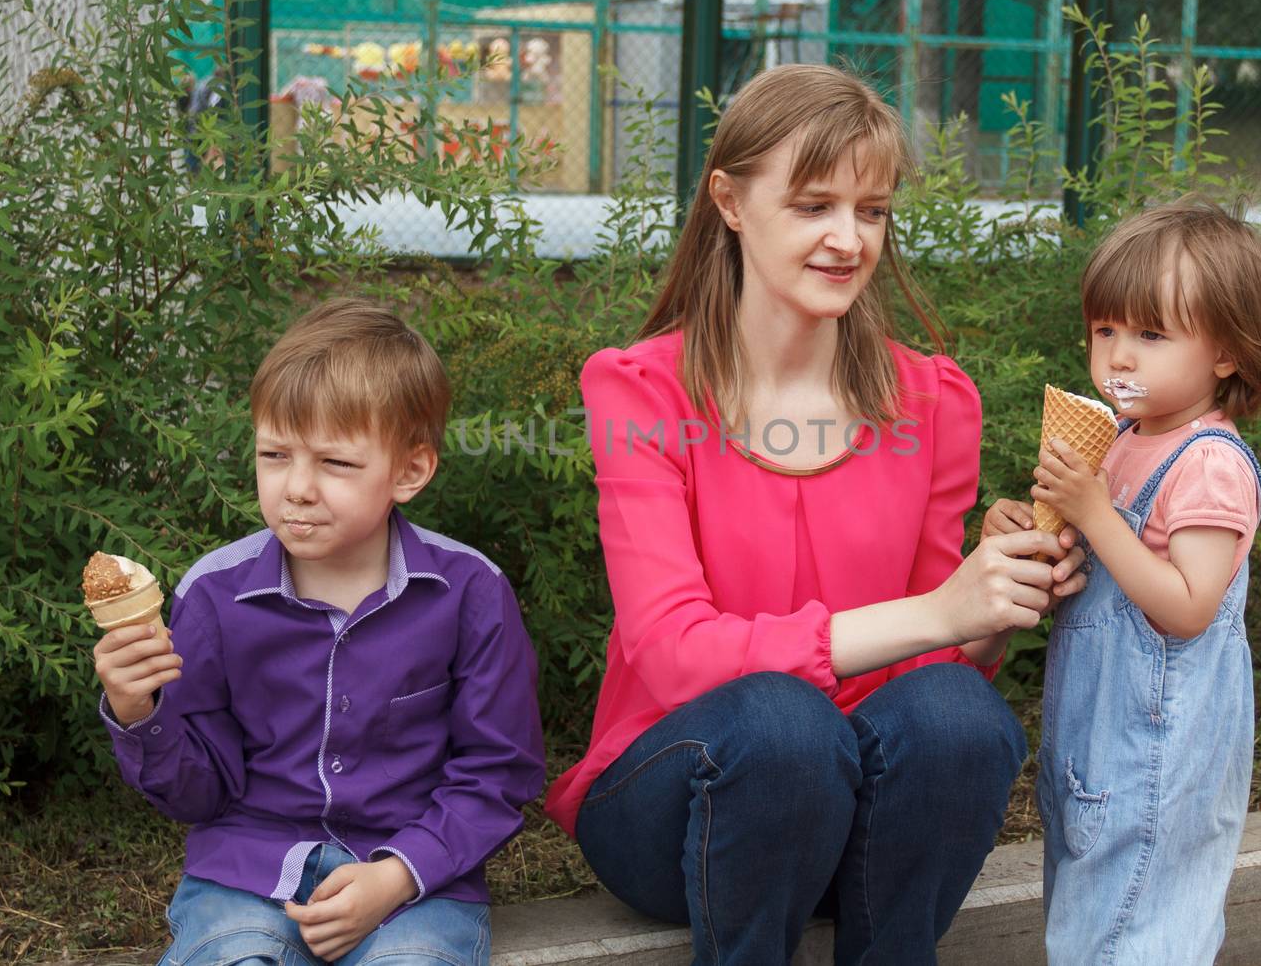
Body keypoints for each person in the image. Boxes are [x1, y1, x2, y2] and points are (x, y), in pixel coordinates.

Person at [544, 63, 1087, 965]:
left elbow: (935, 666)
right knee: (780, 724)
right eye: (812, 205)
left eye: (870, 210)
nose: (848, 238)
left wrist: (990, 607)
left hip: (860, 816)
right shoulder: (641, 391)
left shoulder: (934, 399)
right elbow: (674, 651)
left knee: (957, 712)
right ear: (729, 198)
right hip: (682, 803)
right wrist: (937, 610)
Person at [93, 298, 545, 966]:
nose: (296, 487)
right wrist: (140, 712)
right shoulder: (215, 593)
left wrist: (398, 874)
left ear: (410, 470)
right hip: (247, 875)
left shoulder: (470, 593)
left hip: (416, 884)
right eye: (275, 454)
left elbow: (497, 772)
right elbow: (200, 791)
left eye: (334, 463)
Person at [986, 198, 1261, 964]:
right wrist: (1040, 536)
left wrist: (1096, 516)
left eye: (1152, 334)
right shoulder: (1125, 440)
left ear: (1226, 352)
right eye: (1105, 330)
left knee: (1135, 935)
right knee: (1092, 927)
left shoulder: (1210, 463)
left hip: (1158, 759)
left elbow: (1189, 606)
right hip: (1096, 748)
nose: (1119, 356)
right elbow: (1107, 574)